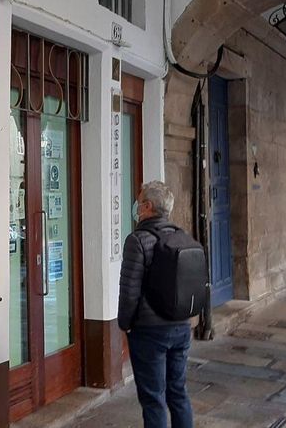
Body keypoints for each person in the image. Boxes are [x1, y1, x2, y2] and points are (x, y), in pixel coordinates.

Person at [118, 181, 193, 428]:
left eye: (139, 203)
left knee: (153, 399)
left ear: (148, 206)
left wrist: (125, 324)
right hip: (181, 327)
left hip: (149, 332)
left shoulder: (137, 240)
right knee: (178, 393)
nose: (136, 208)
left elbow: (129, 290)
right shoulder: (181, 236)